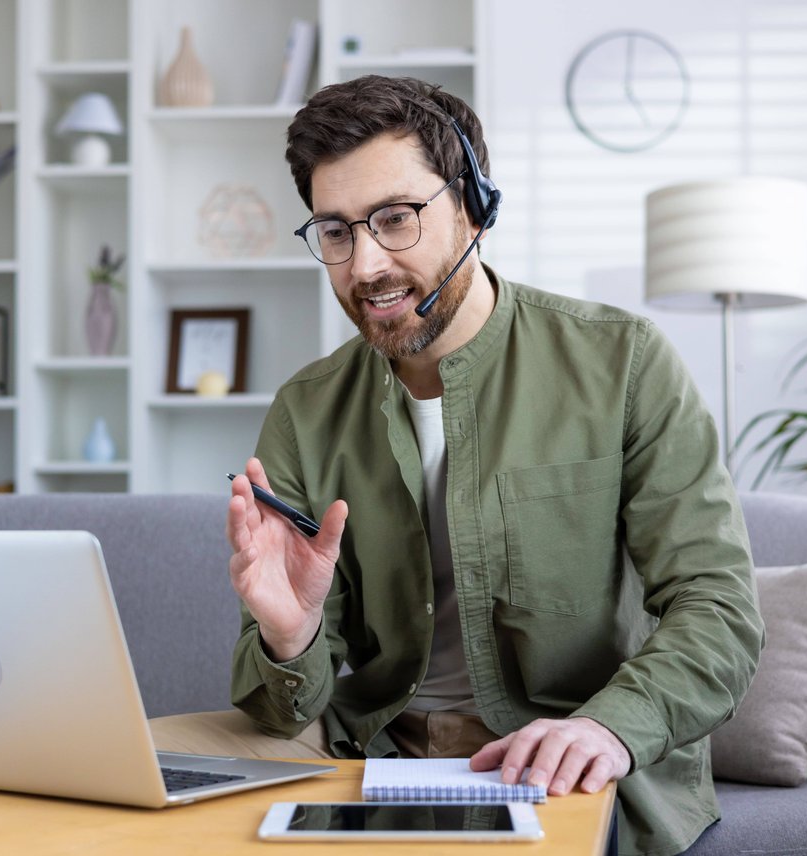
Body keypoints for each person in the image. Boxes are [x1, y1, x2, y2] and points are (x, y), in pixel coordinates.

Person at [159, 75, 764, 856]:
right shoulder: (305, 411)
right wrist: (290, 635)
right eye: (336, 232)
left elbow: (719, 609)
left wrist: (612, 728)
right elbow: (278, 707)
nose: (365, 264)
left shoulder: (623, 362)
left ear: (475, 205)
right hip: (368, 753)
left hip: (559, 758)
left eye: (395, 219)